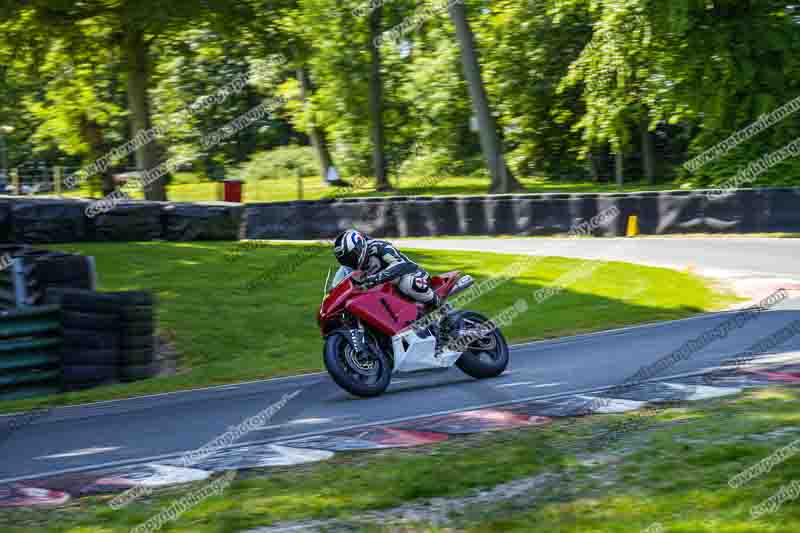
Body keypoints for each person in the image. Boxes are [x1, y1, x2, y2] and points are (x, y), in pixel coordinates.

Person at [332, 229, 442, 312]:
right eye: (345, 261)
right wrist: (333, 292)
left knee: (405, 283)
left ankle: (437, 305)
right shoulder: (348, 267)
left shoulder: (379, 247)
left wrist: (376, 278)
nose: (350, 262)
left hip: (414, 276)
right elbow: (340, 284)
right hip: (386, 289)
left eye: (351, 257)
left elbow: (399, 264)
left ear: (360, 246)